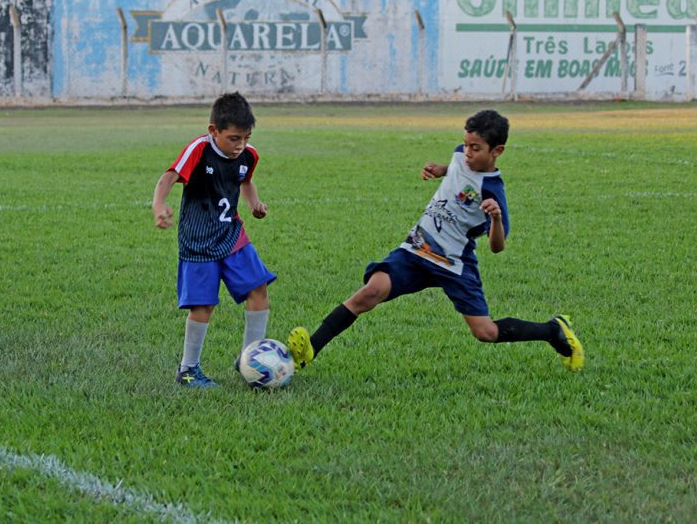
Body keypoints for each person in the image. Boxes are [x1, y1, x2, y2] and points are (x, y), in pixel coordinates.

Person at [287, 109, 584, 374]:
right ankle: (309, 351)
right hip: (417, 249)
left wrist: (494, 219)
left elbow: (498, 245)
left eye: (475, 148)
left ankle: (552, 330)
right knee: (370, 291)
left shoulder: (492, 190)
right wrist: (440, 169)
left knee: (486, 332)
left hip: (453, 263)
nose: (467, 152)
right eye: (466, 144)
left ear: (498, 150)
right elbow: (457, 172)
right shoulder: (460, 155)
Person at [153, 92, 276, 388]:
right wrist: (159, 205)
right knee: (203, 305)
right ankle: (189, 370)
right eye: (233, 138)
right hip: (198, 241)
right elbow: (169, 176)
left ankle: (250, 358)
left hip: (231, 235)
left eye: (245, 137)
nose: (240, 146)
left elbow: (244, 180)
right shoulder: (199, 149)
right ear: (214, 131)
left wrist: (254, 204)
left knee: (258, 289)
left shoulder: (248, 155)